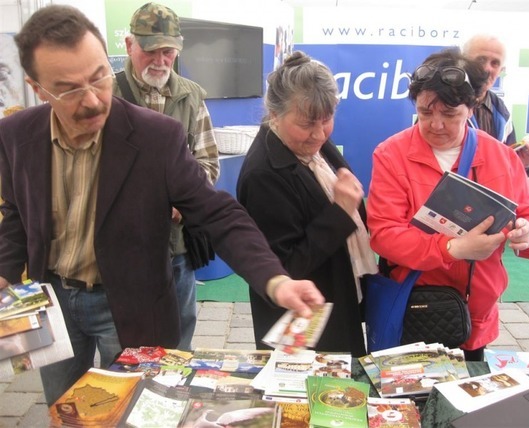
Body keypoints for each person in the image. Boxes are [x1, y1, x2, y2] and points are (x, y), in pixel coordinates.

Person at [0, 5, 324, 405]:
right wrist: (5, 273)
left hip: (128, 305)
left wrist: (276, 279)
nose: (93, 101)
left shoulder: (158, 137)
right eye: (68, 88)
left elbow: (217, 212)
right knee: (66, 409)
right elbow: (15, 212)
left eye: (99, 77)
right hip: (55, 306)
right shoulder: (16, 135)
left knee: (134, 408)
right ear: (38, 88)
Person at [367, 48, 529, 362]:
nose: (435, 124)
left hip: (476, 315)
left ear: (472, 107)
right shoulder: (391, 154)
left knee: (469, 405)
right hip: (415, 308)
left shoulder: (501, 157)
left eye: (450, 115)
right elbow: (384, 235)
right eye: (425, 112)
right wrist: (454, 249)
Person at [236, 51, 378, 357]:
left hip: (335, 300)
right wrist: (340, 211)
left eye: (327, 120)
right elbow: (283, 267)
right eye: (307, 124)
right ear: (274, 114)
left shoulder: (308, 144)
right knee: (312, 401)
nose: (319, 134)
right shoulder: (264, 174)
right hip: (302, 320)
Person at [113, 2, 220, 351]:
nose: (160, 60)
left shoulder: (191, 96)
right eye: (151, 50)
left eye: (169, 52)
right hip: (120, 249)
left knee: (180, 331)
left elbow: (208, 164)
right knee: (124, 341)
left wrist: (179, 205)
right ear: (129, 45)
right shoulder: (105, 95)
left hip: (174, 246)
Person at [463, 34, 529, 169]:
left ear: (501, 70)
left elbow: (509, 171)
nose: (487, 68)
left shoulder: (503, 114)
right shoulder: (442, 104)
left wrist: (521, 165)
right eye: (481, 60)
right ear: (463, 62)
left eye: (495, 63)